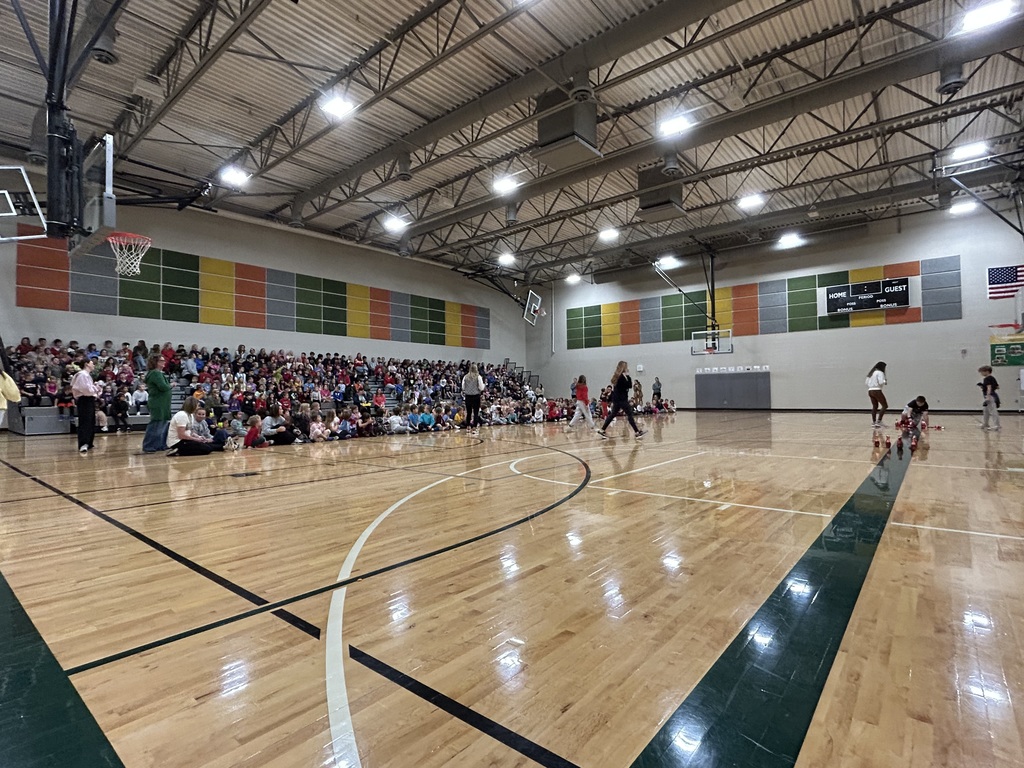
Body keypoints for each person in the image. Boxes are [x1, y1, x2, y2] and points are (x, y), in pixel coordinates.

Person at [598, 361, 647, 440]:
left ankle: (602, 430)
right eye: (626, 367)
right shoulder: (621, 377)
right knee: (629, 414)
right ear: (624, 367)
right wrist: (628, 377)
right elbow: (629, 386)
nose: (628, 368)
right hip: (621, 399)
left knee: (613, 414)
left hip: (618, 399)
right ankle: (637, 432)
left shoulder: (619, 376)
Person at [72, 359, 103, 453]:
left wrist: (95, 389)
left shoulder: (86, 375)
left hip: (89, 400)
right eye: (92, 363)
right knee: (85, 422)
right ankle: (83, 443)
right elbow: (86, 390)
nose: (93, 365)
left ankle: (89, 442)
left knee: (90, 421)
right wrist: (95, 390)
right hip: (84, 399)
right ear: (86, 364)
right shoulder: (82, 375)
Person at [143, 355, 172, 453]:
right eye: (162, 360)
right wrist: (171, 385)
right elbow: (163, 387)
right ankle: (149, 445)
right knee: (156, 424)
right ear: (156, 362)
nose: (164, 362)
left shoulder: (157, 373)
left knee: (163, 423)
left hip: (162, 402)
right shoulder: (155, 373)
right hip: (158, 402)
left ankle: (160, 444)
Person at [462, 363, 484, 436]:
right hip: (476, 396)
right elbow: (481, 387)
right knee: (475, 412)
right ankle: (474, 428)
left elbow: (463, 387)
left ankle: (468, 427)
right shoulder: (478, 377)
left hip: (468, 396)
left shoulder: (465, 377)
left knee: (468, 412)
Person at [978, 365, 1000, 431]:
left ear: (987, 371)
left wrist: (988, 396)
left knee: (993, 411)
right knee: (986, 410)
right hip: (993, 395)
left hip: (990, 396)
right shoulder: (992, 378)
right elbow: (997, 387)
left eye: (982, 372)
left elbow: (989, 387)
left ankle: (997, 425)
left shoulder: (987, 379)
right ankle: (985, 423)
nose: (981, 373)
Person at [865, 361, 888, 427]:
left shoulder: (871, 373)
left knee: (875, 406)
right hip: (877, 390)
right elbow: (881, 382)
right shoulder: (880, 373)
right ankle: (879, 421)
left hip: (870, 390)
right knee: (885, 406)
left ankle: (874, 422)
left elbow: (866, 383)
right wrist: (884, 381)